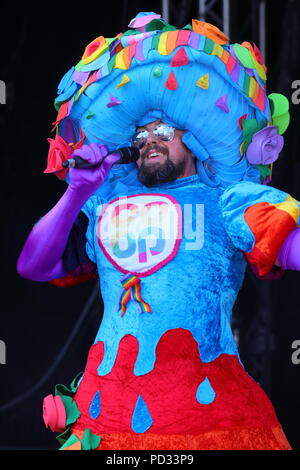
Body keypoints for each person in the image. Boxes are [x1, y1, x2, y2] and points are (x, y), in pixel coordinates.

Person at [17, 12, 300, 450]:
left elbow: (288, 240)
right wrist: (76, 193)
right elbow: (32, 265)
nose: (150, 138)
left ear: (194, 138)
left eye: (164, 129)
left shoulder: (224, 199)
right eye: (141, 132)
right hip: (104, 416)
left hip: (207, 420)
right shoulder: (105, 201)